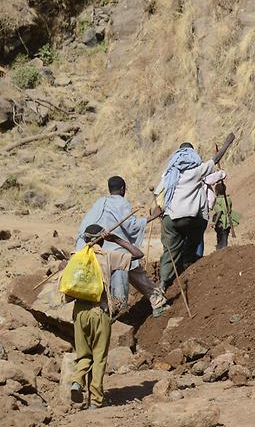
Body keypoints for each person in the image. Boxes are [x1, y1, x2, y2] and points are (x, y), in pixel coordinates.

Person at [70, 224, 143, 409]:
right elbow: (137, 255)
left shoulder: (75, 257)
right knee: (99, 357)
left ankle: (77, 381)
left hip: (79, 312)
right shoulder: (108, 256)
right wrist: (116, 239)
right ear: (101, 239)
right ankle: (95, 401)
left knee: (83, 354)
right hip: (99, 312)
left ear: (85, 239)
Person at [76, 176, 169, 317]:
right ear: (123, 189)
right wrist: (153, 216)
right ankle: (157, 302)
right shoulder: (121, 202)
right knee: (134, 270)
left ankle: (101, 311)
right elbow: (131, 227)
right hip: (110, 248)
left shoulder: (99, 203)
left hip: (86, 248)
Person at [153, 142, 225, 290]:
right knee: (195, 239)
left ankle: (163, 283)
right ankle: (190, 264)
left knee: (170, 251)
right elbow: (214, 161)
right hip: (193, 218)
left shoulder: (169, 174)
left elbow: (157, 192)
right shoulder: (197, 171)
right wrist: (227, 145)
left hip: (171, 219)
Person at [209, 180, 240, 250]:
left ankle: (221, 249)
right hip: (228, 221)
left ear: (216, 192)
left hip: (221, 222)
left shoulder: (217, 201)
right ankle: (224, 247)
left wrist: (215, 222)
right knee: (225, 236)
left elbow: (219, 212)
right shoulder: (228, 199)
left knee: (220, 236)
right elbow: (229, 209)